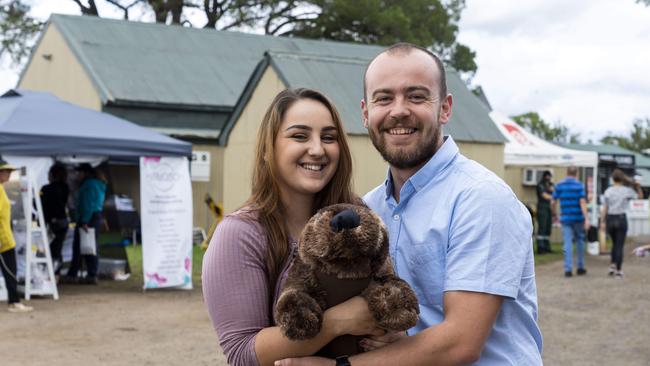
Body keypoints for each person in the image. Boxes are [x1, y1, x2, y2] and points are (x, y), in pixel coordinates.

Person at [277, 43, 542, 366]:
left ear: (444, 108)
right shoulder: (369, 211)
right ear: (365, 113)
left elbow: (461, 342)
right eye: (384, 98)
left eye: (416, 96)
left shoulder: (481, 199)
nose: (398, 110)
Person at [202, 88, 389, 366]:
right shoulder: (240, 234)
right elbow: (242, 353)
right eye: (299, 136)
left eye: (328, 137)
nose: (317, 149)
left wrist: (391, 333)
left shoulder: (356, 217)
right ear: (268, 149)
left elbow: (387, 301)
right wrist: (339, 321)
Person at [63, 163, 106, 285]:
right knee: (89, 246)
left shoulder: (89, 185)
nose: (77, 175)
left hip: (88, 218)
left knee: (83, 247)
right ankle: (89, 274)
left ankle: (81, 274)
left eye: (79, 172)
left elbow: (87, 205)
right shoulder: (97, 184)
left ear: (85, 173)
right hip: (93, 217)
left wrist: (84, 221)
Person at [0, 158, 33, 312]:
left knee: (11, 270)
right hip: (3, 240)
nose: (9, 174)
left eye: (10, 172)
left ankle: (14, 301)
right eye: (6, 171)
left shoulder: (1, 188)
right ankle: (14, 302)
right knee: (10, 270)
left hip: (6, 237)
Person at [600, 169, 642, 278]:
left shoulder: (608, 191)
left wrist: (602, 221)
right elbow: (640, 197)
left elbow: (605, 207)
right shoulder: (626, 190)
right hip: (621, 218)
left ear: (612, 179)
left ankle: (612, 265)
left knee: (614, 244)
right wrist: (637, 187)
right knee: (619, 245)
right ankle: (619, 270)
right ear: (622, 179)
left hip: (610, 218)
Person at [552, 166, 590, 277]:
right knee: (580, 241)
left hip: (565, 218)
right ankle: (580, 267)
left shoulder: (560, 185)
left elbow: (553, 201)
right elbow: (582, 202)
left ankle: (568, 269)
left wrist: (554, 214)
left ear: (567, 172)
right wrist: (586, 218)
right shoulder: (579, 185)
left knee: (567, 242)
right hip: (578, 218)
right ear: (576, 173)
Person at [40, 163, 70, 276]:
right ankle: (55, 272)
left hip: (53, 222)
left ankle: (52, 273)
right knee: (57, 248)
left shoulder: (47, 189)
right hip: (63, 221)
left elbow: (42, 205)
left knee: (51, 249)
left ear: (53, 175)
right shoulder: (65, 187)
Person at [536, 170, 554, 254]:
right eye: (547, 176)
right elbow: (545, 196)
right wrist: (554, 195)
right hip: (542, 208)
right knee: (542, 227)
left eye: (549, 176)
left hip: (549, 208)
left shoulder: (550, 185)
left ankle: (546, 246)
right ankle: (540, 247)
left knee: (547, 228)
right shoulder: (540, 185)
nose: (548, 178)